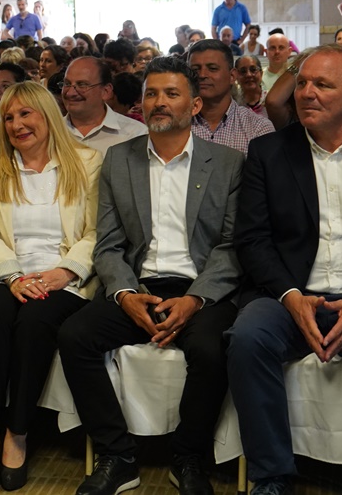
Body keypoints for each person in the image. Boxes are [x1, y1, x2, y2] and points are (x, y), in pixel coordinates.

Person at [60, 56, 245, 495]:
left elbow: (233, 246)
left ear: (195, 105)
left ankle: (188, 455)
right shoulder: (119, 160)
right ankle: (118, 455)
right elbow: (107, 244)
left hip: (199, 289)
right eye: (151, 94)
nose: (158, 103)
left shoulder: (227, 163)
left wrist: (196, 299)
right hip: (138, 285)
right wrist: (124, 293)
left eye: (171, 94)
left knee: (212, 348)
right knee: (74, 336)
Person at [228, 45, 342, 495]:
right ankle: (271, 476)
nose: (306, 93)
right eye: (302, 82)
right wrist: (289, 295)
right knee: (248, 338)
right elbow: (253, 239)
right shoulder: (269, 152)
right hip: (289, 295)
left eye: (322, 84)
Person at [0, 82, 102, 494]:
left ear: (47, 114)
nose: (16, 124)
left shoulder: (88, 162)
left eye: (26, 114)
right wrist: (12, 276)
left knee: (34, 322)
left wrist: (66, 271)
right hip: (5, 272)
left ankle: (19, 431)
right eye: (8, 117)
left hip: (62, 275)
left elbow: (96, 230)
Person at [188, 40, 274, 155]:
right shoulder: (177, 124)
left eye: (212, 68)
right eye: (195, 70)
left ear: (232, 76)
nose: (202, 75)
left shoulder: (258, 128)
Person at [61, 57, 147, 155]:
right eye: (67, 84)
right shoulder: (49, 132)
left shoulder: (135, 134)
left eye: (82, 85)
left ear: (106, 91)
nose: (70, 93)